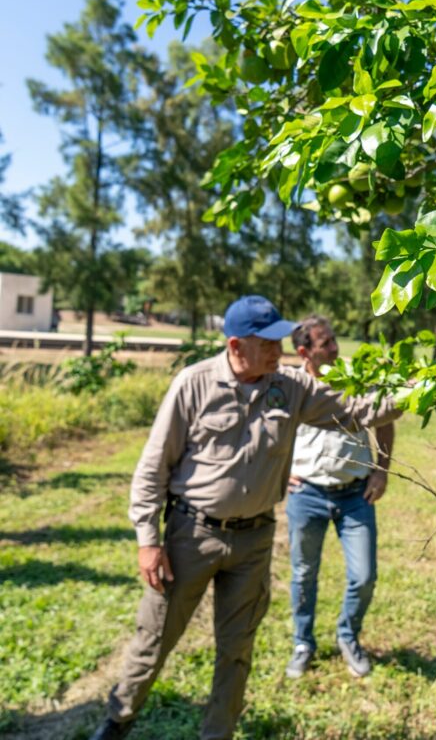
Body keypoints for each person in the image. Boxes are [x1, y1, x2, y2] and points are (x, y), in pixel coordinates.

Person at [90, 295, 400, 740]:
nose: (279, 350)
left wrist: (422, 391)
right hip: (189, 537)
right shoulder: (193, 385)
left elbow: (357, 410)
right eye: (269, 342)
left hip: (253, 542)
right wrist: (148, 539)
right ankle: (117, 721)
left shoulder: (290, 385)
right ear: (236, 345)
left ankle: (218, 733)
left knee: (237, 649)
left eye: (281, 339)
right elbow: (153, 468)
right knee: (154, 638)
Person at [285, 315, 394, 680]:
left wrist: (382, 469)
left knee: (364, 576)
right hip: (306, 494)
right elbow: (267, 426)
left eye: (333, 340)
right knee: (303, 573)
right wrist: (281, 470)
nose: (335, 348)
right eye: (325, 344)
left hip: (355, 494)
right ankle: (303, 643)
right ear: (305, 352)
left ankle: (348, 635)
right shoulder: (291, 384)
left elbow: (384, 417)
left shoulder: (356, 377)